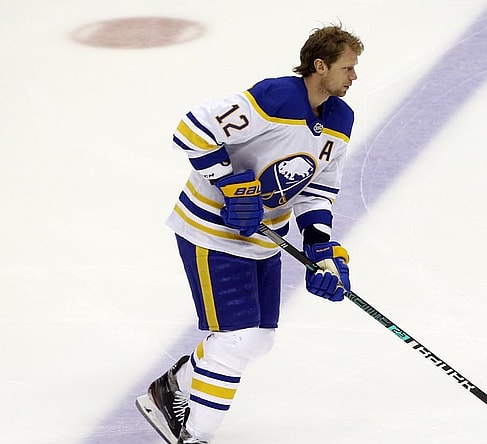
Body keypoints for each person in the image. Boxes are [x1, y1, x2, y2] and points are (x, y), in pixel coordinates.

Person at [137, 24, 364, 444]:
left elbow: (318, 188)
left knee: (257, 341)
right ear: (320, 65)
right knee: (235, 339)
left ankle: (170, 388)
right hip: (211, 232)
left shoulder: (340, 119)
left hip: (263, 240)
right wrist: (229, 183)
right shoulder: (276, 97)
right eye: (347, 68)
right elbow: (190, 130)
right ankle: (194, 435)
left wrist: (321, 246)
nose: (354, 77)